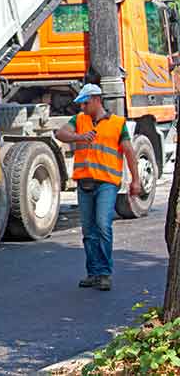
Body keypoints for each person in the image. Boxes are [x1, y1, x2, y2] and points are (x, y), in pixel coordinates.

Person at [55, 83, 141, 291]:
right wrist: (78, 137)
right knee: (88, 231)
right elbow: (60, 133)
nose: (81, 107)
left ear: (96, 100)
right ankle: (93, 273)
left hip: (107, 183)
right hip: (84, 183)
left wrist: (136, 181)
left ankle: (104, 273)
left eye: (84, 103)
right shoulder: (79, 120)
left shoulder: (117, 124)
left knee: (102, 225)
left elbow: (129, 153)